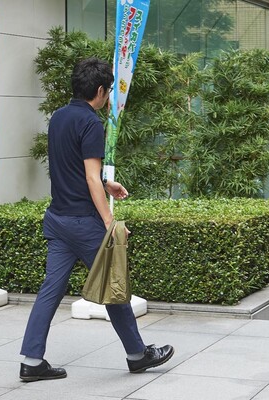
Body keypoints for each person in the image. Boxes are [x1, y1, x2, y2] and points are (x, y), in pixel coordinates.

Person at [19, 58, 174, 382]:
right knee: (114, 285)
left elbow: (73, 169)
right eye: (107, 92)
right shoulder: (90, 122)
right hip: (84, 222)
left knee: (51, 290)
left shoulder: (59, 117)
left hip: (58, 218)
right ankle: (137, 354)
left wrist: (107, 183)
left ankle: (32, 360)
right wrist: (109, 223)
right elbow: (88, 176)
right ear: (101, 91)